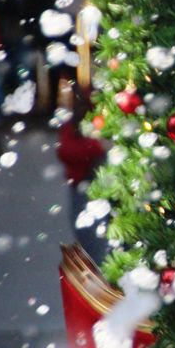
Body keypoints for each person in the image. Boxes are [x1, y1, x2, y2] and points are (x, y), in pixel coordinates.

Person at [56, 86, 108, 262]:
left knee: (92, 240)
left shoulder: (90, 123)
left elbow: (67, 150)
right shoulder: (74, 125)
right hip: (82, 184)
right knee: (88, 237)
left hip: (89, 184)